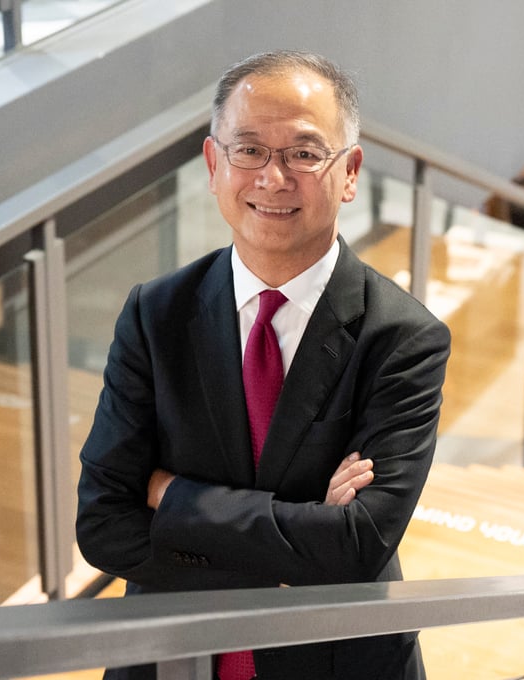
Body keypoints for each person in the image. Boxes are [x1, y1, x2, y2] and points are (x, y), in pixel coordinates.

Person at [76, 50, 451, 680]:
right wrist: (301, 547)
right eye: (248, 150)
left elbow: (359, 546)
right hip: (169, 659)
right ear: (213, 164)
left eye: (304, 153)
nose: (273, 178)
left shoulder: (404, 338)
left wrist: (172, 498)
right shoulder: (155, 314)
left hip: (337, 661)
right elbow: (104, 524)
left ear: (351, 171)